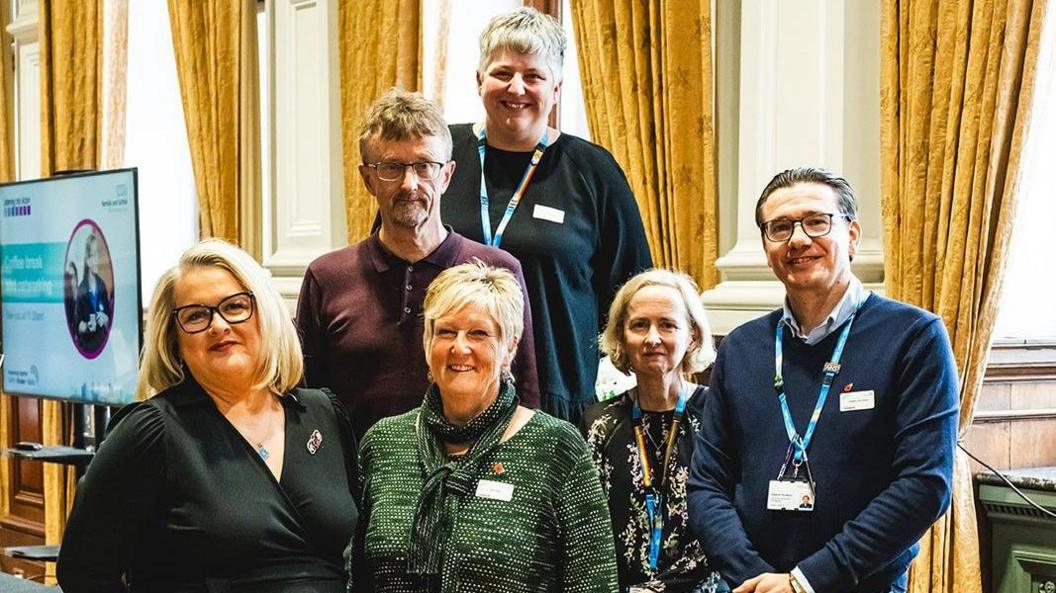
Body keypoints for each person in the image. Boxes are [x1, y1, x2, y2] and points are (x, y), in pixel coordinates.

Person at [687, 168, 959, 593]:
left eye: (816, 221)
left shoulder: (914, 337)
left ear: (851, 235)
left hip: (861, 584)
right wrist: (753, 578)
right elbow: (708, 482)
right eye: (780, 228)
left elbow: (925, 484)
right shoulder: (741, 347)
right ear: (765, 246)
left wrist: (807, 581)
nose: (797, 239)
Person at [57, 239, 359, 593]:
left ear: (266, 314)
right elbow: (83, 572)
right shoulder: (151, 432)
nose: (218, 325)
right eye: (196, 315)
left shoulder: (322, 413)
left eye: (234, 306)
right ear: (176, 341)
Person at [441, 7, 652, 425]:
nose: (516, 88)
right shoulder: (439, 156)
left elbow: (632, 290)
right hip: (450, 395)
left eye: (533, 76)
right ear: (478, 80)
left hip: (558, 403)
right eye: (502, 73)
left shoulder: (594, 171)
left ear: (555, 88)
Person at [355, 262, 619, 592]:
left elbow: (594, 582)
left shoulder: (556, 447)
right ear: (427, 343)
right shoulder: (384, 443)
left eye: (478, 333)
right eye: (446, 332)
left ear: (510, 346)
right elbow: (359, 578)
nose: (459, 348)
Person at [298, 88, 539, 439]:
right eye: (392, 168)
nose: (409, 184)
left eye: (424, 166)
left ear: (446, 175)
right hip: (360, 484)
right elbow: (306, 402)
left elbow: (525, 395)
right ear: (367, 179)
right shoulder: (327, 277)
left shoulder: (498, 270)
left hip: (476, 480)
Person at [584, 269, 724, 593]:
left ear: (692, 336)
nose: (652, 338)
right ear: (621, 337)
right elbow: (585, 530)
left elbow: (731, 521)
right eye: (639, 325)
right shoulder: (596, 424)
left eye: (667, 325)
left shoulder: (720, 418)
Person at [74, 233, 112, 354]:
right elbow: (76, 324)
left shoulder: (102, 285)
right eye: (93, 255)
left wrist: (106, 318)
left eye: (98, 255)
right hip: (87, 347)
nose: (97, 260)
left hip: (102, 345)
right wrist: (86, 326)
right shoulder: (82, 289)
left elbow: (109, 316)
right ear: (87, 260)